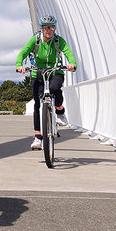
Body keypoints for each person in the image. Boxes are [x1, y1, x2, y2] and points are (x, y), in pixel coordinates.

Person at [15, 15, 77, 150]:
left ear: (55, 28)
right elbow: (23, 52)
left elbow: (68, 53)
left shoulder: (58, 41)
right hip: (37, 73)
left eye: (51, 27)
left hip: (55, 71)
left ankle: (60, 111)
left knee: (55, 88)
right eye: (45, 27)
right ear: (41, 28)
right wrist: (20, 65)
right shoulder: (36, 40)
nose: (48, 30)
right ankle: (38, 137)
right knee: (37, 104)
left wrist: (72, 63)